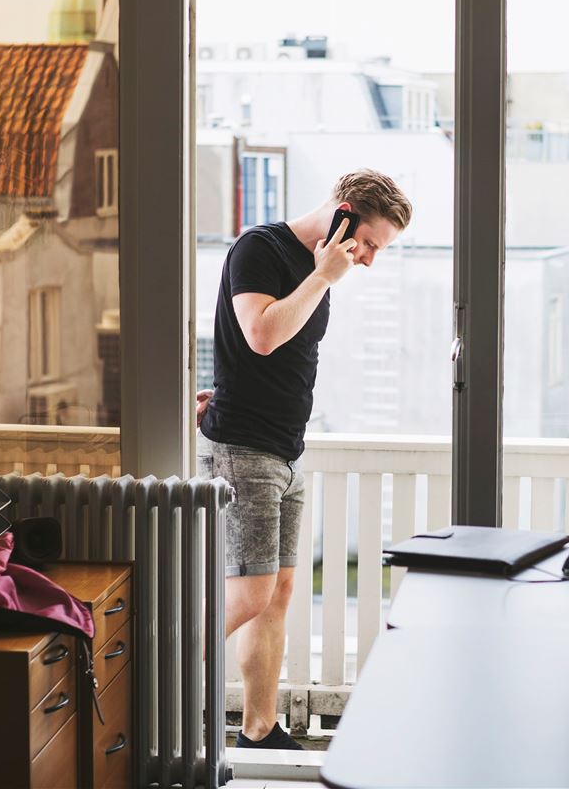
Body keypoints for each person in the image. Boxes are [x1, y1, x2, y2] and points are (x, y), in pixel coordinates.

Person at [196, 169, 412, 750]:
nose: (367, 259)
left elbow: (273, 359)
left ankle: (260, 728)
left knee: (280, 591)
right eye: (367, 242)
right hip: (243, 448)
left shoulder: (325, 270)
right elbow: (261, 335)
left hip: (286, 450)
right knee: (248, 593)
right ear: (343, 213)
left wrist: (323, 275)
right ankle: (146, 668)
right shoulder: (260, 249)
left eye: (376, 250)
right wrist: (322, 275)